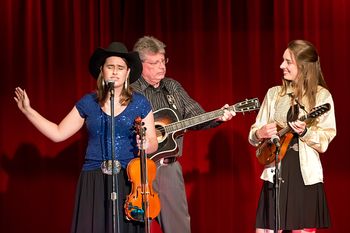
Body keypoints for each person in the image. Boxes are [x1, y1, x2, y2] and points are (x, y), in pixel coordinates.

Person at [14, 42, 158, 233]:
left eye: (120, 68)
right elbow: (58, 133)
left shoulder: (140, 103)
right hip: (93, 178)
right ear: (102, 70)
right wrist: (28, 111)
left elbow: (153, 144)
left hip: (128, 181)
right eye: (110, 67)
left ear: (127, 72)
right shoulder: (88, 102)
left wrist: (145, 144)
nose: (115, 72)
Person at [131, 36, 236, 233]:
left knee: (178, 228)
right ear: (140, 64)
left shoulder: (172, 87)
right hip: (138, 171)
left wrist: (218, 117)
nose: (161, 67)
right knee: (135, 226)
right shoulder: (130, 91)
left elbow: (195, 116)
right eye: (155, 63)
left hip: (169, 169)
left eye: (163, 61)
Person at [248, 40, 336, 233]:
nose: (282, 66)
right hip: (275, 171)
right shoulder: (274, 94)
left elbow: (325, 139)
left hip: (305, 175)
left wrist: (305, 131)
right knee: (267, 229)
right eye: (283, 61)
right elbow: (254, 133)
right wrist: (259, 133)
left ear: (303, 67)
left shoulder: (321, 97)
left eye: (288, 62)